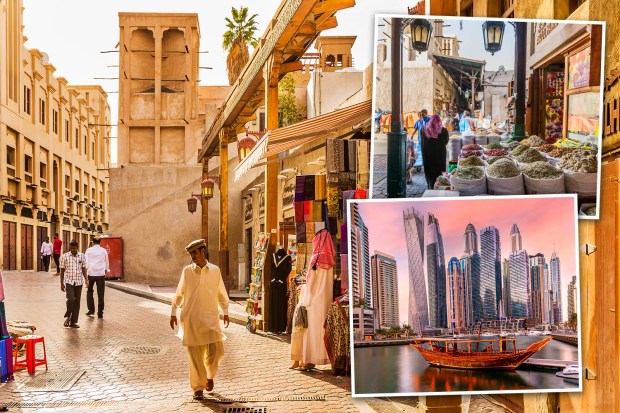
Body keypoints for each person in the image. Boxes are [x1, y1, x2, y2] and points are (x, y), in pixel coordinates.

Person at [170, 239, 230, 401]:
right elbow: (179, 293)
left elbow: (220, 292)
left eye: (195, 253)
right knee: (194, 356)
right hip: (190, 319)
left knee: (216, 352)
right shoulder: (187, 271)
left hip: (210, 319)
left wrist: (225, 311)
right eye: (191, 254)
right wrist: (173, 312)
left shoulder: (215, 270)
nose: (192, 257)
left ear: (203, 251)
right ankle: (198, 388)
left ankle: (209, 376)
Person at [297, 228, 335, 371]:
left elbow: (311, 284)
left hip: (313, 301)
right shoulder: (331, 261)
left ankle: (309, 361)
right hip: (326, 301)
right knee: (324, 331)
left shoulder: (315, 258)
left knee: (311, 331)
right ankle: (326, 358)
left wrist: (304, 289)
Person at [60, 240, 88, 328]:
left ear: (77, 247)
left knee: (77, 302)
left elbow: (84, 269)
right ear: (69, 247)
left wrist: (86, 279)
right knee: (71, 299)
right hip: (69, 281)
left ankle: (73, 322)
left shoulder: (82, 256)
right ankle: (68, 315)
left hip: (79, 281)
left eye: (74, 248)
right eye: (71, 248)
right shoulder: (64, 256)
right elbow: (62, 271)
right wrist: (61, 283)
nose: (72, 249)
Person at [420, 114, 450, 189]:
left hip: (427, 155)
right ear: (439, 121)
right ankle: (439, 186)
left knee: (429, 172)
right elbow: (446, 142)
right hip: (440, 156)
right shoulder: (443, 130)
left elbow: (421, 141)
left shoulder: (423, 130)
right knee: (439, 172)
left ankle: (430, 186)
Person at [85, 237, 110, 319]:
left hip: (91, 273)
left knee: (89, 292)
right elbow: (106, 262)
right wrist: (105, 271)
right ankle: (100, 313)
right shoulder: (103, 251)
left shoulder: (88, 250)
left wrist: (87, 273)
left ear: (93, 242)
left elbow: (86, 263)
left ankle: (91, 310)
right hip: (100, 274)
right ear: (100, 242)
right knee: (101, 294)